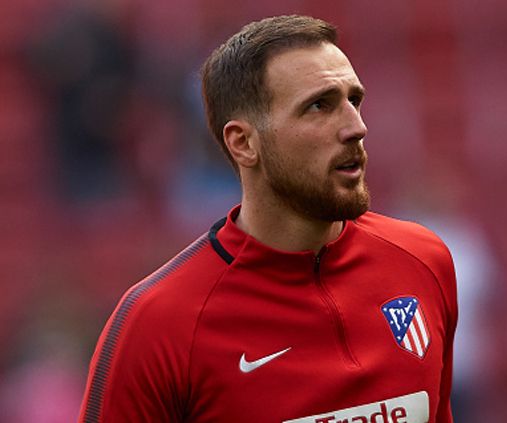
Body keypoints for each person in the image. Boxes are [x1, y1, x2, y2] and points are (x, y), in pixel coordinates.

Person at [78, 15, 457, 423]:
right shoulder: (159, 324)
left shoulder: (422, 261)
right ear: (243, 143)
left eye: (354, 100)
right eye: (319, 106)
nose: (356, 127)